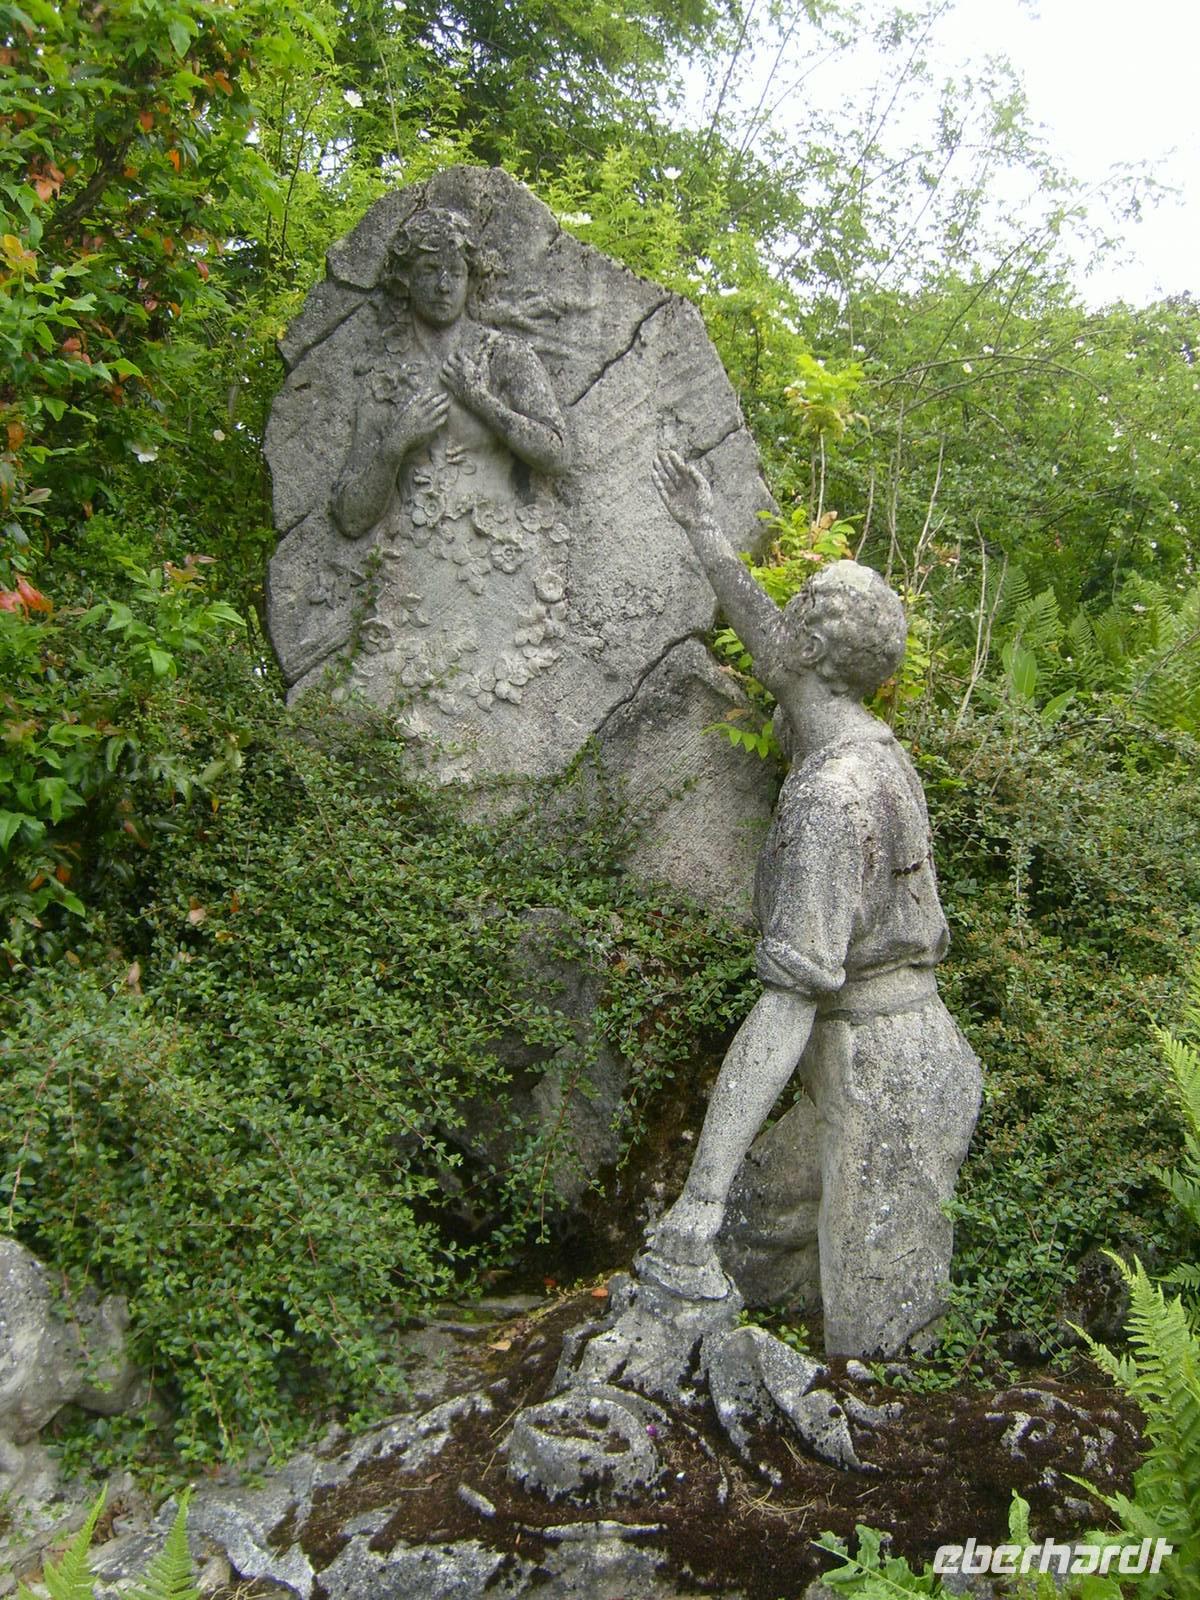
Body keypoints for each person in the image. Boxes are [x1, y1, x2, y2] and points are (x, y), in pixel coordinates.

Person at [643, 449, 982, 1357]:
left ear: (811, 651)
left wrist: (700, 1193)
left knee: (877, 1354)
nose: (776, 628)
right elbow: (771, 646)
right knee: (756, 1246)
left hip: (885, 1077)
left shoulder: (831, 798)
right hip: (871, 1057)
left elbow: (788, 1002)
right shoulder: (862, 739)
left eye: (792, 614)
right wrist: (703, 531)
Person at [330, 206, 569, 544]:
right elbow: (351, 518)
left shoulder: (503, 355)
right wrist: (395, 446)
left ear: (471, 281)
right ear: (406, 279)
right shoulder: (385, 377)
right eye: (429, 270)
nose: (443, 286)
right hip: (412, 560)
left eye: (455, 273)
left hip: (502, 554)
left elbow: (557, 454)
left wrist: (481, 401)